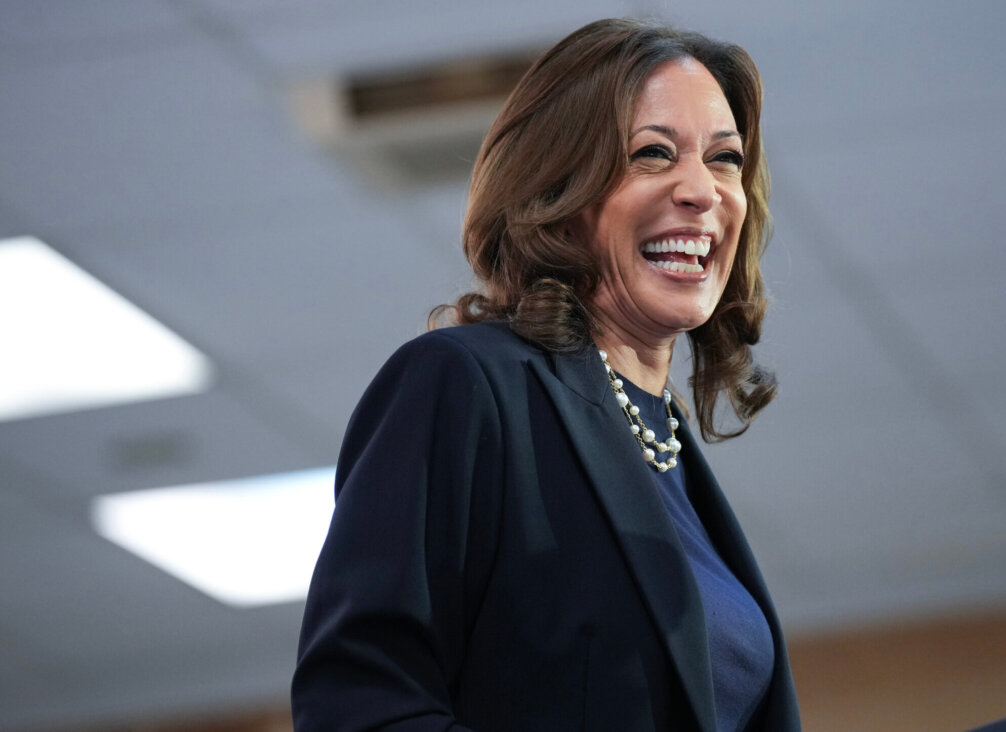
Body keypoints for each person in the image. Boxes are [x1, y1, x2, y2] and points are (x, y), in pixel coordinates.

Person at [292, 17, 800, 731]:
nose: (702, 190)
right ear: (558, 193)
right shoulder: (466, 385)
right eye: (653, 154)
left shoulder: (667, 444)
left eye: (724, 160)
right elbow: (361, 707)